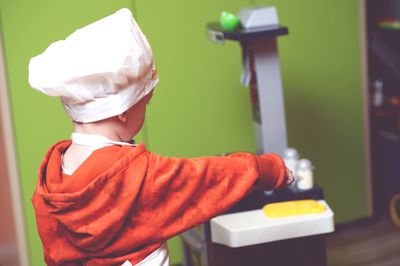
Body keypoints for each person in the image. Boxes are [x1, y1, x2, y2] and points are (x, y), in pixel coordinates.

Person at [29, 8, 294, 266]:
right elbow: (208, 178)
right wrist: (268, 169)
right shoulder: (137, 175)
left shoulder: (51, 182)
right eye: (146, 102)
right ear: (122, 110)